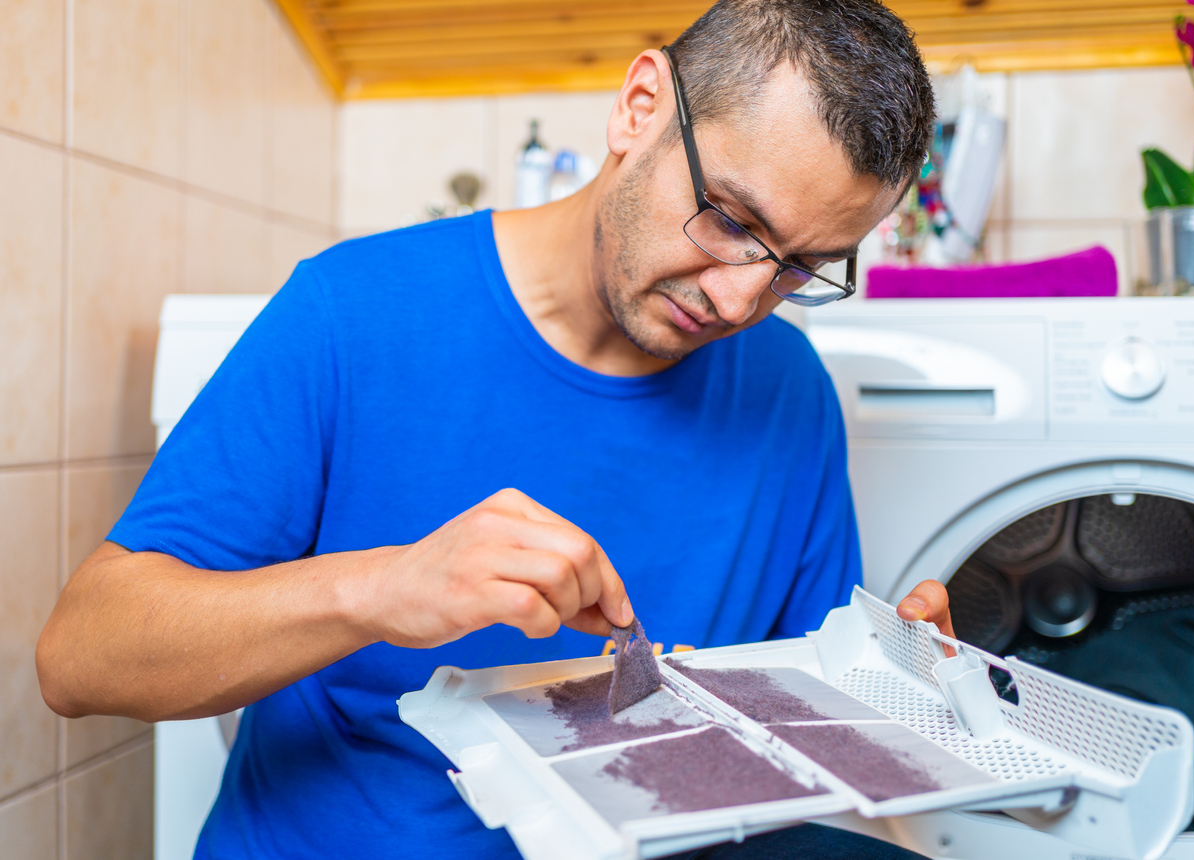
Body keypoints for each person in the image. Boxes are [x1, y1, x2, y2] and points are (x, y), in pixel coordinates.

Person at [36, 1, 954, 857]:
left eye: (801, 267)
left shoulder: (791, 390)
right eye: (729, 220)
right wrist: (379, 588)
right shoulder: (354, 312)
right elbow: (82, 659)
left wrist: (899, 694)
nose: (741, 298)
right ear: (638, 109)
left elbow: (801, 729)